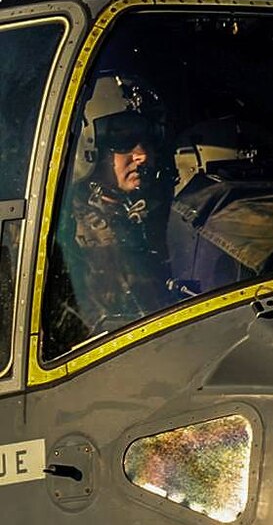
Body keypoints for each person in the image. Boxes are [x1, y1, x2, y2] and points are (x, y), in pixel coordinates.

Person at [48, 73, 179, 354]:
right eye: (124, 140)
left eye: (148, 138)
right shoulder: (63, 227)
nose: (141, 155)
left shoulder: (155, 214)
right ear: (89, 144)